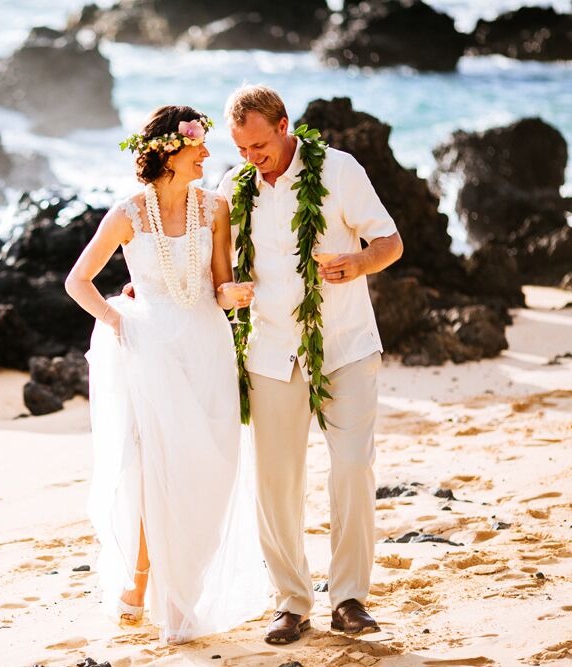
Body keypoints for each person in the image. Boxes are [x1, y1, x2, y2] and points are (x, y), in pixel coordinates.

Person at [65, 105, 266, 646]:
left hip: (207, 345)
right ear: (170, 151)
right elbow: (77, 281)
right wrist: (117, 324)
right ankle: (155, 589)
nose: (206, 152)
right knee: (157, 469)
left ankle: (175, 583)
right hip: (150, 350)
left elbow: (220, 287)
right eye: (198, 144)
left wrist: (237, 294)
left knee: (212, 466)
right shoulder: (127, 213)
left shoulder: (215, 208)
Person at [216, 84, 404, 645]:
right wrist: (223, 292)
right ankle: (291, 602)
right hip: (270, 351)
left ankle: (349, 599)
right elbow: (215, 272)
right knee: (275, 482)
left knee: (351, 466)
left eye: (258, 146)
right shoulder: (233, 186)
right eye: (241, 149)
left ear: (283, 125)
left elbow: (390, 242)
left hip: (344, 343)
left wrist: (359, 261)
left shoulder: (340, 170)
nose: (251, 159)